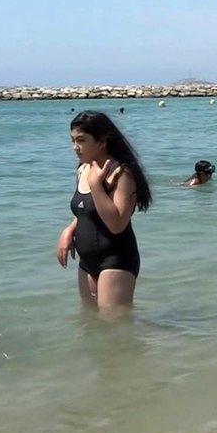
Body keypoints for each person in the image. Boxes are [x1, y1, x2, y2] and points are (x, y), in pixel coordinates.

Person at [57, 111, 152, 313]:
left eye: (81, 140)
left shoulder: (122, 173)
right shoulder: (83, 169)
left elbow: (117, 224)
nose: (75, 147)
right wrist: (69, 230)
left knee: (115, 326)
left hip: (116, 258)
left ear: (102, 141)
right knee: (92, 323)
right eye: (73, 140)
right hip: (87, 261)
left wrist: (96, 185)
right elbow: (86, 211)